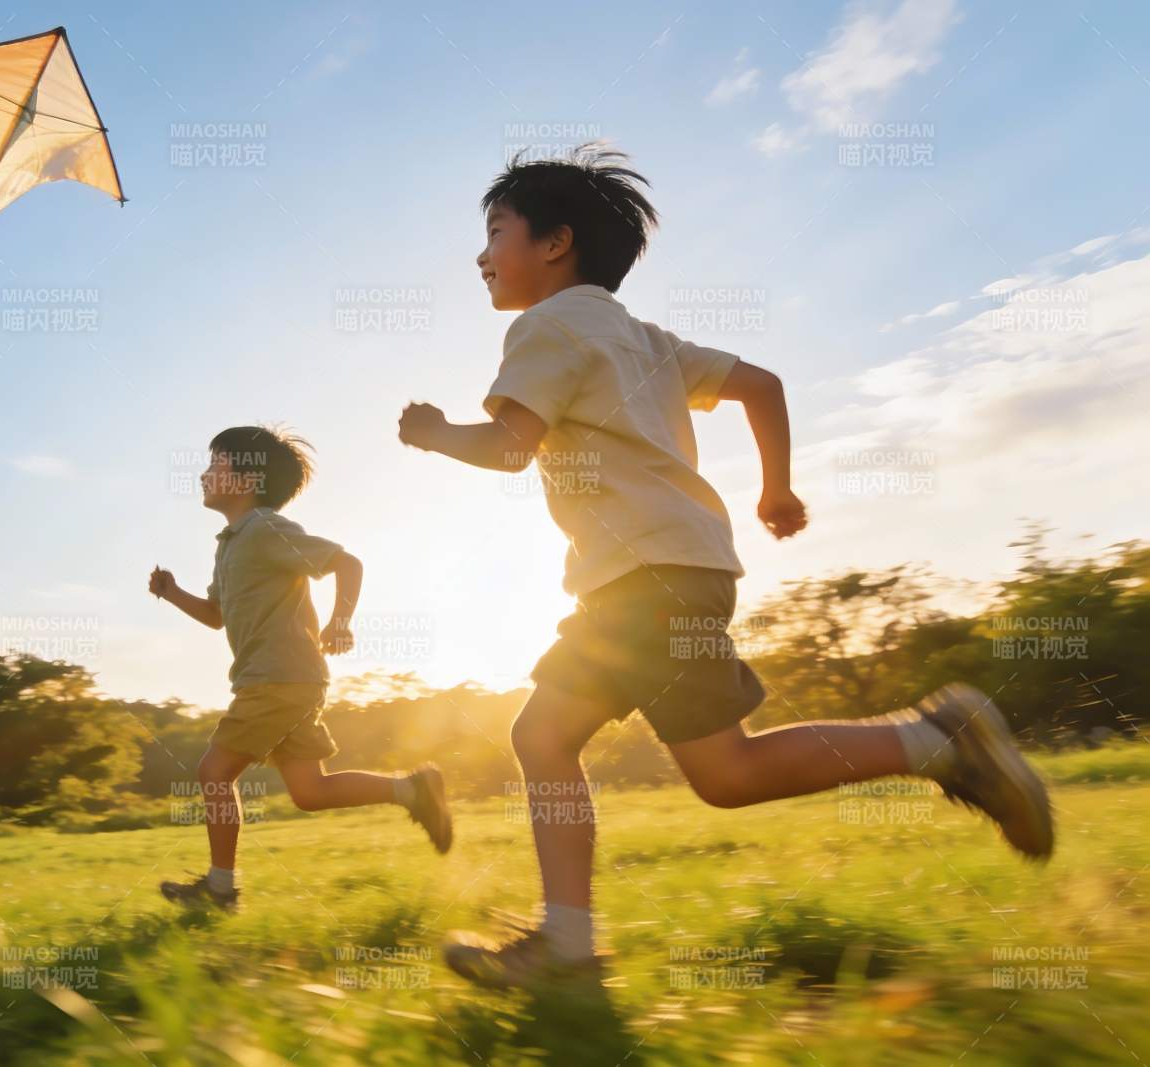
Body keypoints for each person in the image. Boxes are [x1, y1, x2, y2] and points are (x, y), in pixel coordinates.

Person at [396, 144, 1052, 988]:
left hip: (643, 579)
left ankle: (937, 740)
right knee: (611, 749)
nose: (481, 255)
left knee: (667, 760)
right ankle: (566, 944)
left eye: (495, 231)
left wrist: (435, 432)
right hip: (671, 570)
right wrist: (775, 488)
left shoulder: (546, 326)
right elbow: (764, 383)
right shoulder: (645, 339)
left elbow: (511, 447)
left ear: (555, 244)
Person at [151, 425, 453, 909]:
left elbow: (347, 563)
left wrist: (340, 621)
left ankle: (220, 889)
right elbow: (215, 616)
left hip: (277, 678)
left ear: (248, 479)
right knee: (310, 791)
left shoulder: (265, 529)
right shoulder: (229, 542)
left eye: (215, 464)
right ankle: (413, 790)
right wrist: (173, 592)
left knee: (214, 772)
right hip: (289, 680)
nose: (204, 474)